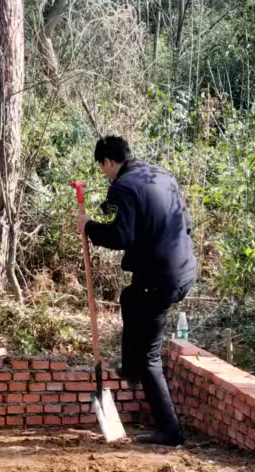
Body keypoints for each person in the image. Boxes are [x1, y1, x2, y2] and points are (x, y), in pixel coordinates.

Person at [75, 136, 197, 447]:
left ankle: (169, 430)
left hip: (159, 279)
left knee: (148, 356)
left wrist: (89, 226)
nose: (104, 173)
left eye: (102, 167)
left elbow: (121, 236)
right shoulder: (161, 176)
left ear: (108, 162)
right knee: (130, 299)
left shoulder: (123, 186)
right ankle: (129, 368)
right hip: (183, 272)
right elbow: (186, 224)